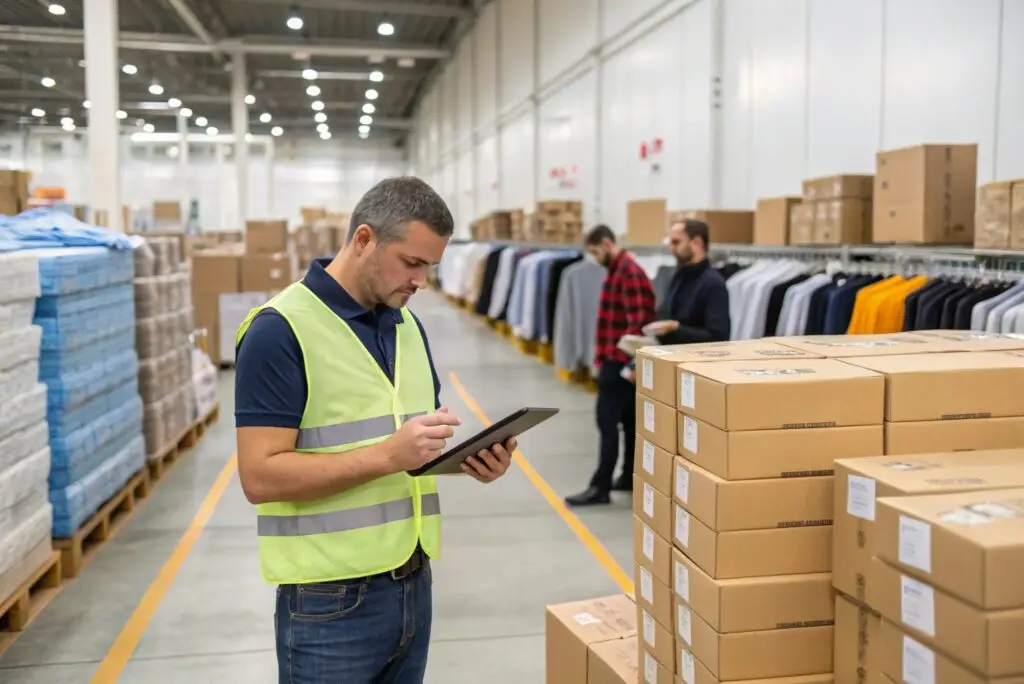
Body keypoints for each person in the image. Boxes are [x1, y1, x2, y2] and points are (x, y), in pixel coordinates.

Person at [234, 176, 516, 684]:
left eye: (430, 266)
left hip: (412, 584)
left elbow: (409, 449)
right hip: (328, 600)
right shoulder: (280, 329)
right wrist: (388, 456)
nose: (421, 281)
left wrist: (472, 463)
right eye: (412, 263)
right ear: (363, 239)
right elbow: (260, 476)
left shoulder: (406, 324)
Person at [565, 225, 656, 507]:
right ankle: (628, 475)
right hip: (613, 359)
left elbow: (639, 323)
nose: (595, 258)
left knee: (606, 422)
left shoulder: (628, 271)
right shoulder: (618, 270)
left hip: (619, 363)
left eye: (595, 252)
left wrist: (628, 364)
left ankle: (600, 486)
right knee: (628, 422)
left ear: (606, 243)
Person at [643, 219, 730, 343]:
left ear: (696, 243)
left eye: (676, 242)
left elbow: (718, 337)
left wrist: (676, 329)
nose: (671, 249)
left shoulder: (713, 284)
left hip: (694, 360)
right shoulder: (679, 276)